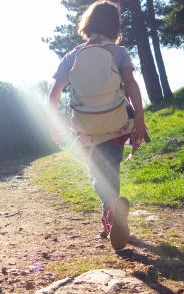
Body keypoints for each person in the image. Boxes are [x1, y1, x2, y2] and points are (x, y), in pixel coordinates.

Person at [48, 0, 148, 250]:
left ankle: (111, 213)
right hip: (117, 124)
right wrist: (140, 120)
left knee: (97, 173)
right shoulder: (119, 52)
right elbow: (132, 85)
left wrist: (53, 126)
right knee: (110, 168)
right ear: (115, 27)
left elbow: (53, 94)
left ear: (88, 24)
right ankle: (112, 212)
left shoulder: (72, 55)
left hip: (85, 129)